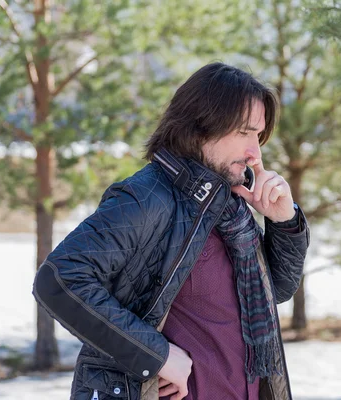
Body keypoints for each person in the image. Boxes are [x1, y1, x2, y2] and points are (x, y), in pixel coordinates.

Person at [33, 62, 309, 400]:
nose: (255, 153)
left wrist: (283, 221)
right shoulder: (148, 197)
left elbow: (275, 291)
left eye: (258, 135)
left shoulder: (231, 210)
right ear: (201, 127)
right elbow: (59, 280)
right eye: (243, 133)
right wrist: (156, 355)